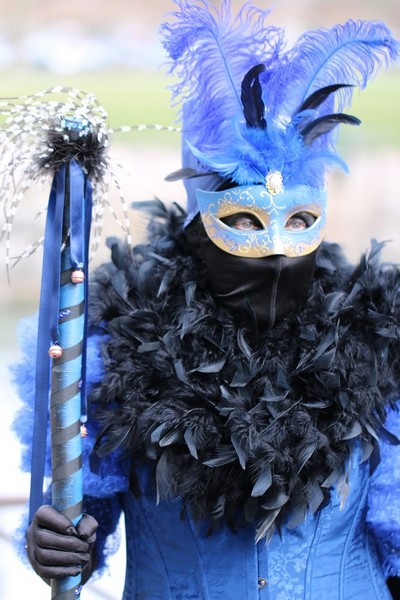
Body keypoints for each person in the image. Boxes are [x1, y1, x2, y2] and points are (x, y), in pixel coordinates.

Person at [12, 1, 400, 598]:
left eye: (298, 220)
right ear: (197, 228)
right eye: (243, 221)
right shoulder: (114, 353)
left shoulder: (379, 341)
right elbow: (80, 520)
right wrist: (60, 546)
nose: (274, 253)